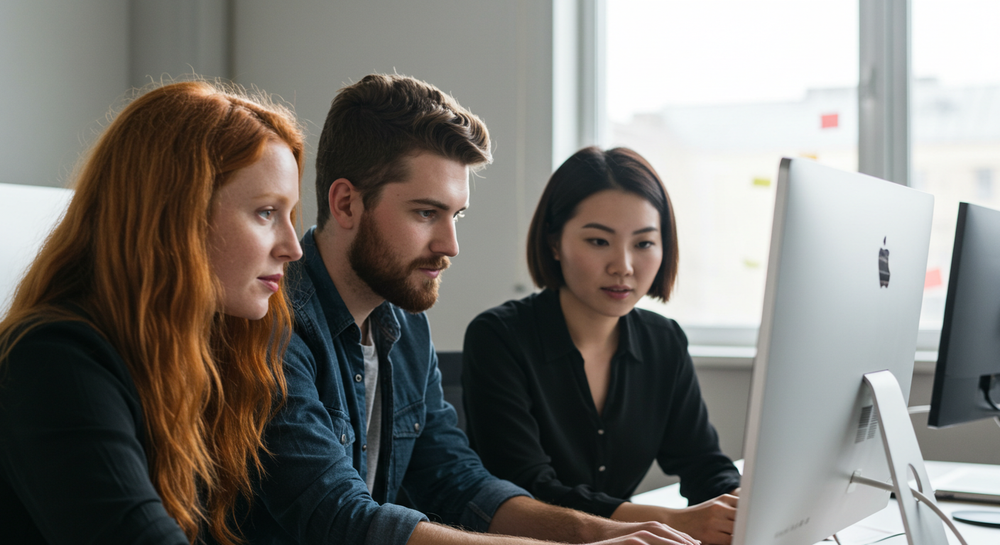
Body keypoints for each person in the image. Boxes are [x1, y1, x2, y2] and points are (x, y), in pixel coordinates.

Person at [234, 73, 698, 545]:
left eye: (456, 216)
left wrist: (614, 533)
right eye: (425, 213)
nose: (450, 245)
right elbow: (340, 519)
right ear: (347, 204)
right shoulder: (271, 320)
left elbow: (458, 482)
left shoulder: (406, 325)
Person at [0, 80, 305, 545]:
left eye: (290, 214)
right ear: (177, 214)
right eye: (266, 212)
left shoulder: (201, 361)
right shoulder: (51, 360)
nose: (293, 247)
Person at [462, 147, 742, 545]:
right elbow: (528, 489)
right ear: (555, 243)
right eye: (598, 241)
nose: (623, 266)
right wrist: (675, 521)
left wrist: (739, 505)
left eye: (644, 244)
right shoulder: (498, 337)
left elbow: (703, 463)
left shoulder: (665, 341)